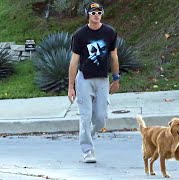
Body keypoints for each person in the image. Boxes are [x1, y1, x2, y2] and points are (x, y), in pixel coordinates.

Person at [68, 2, 120, 163]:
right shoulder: (80, 35)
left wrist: (116, 78)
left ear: (102, 14)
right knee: (85, 117)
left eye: (98, 12)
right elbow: (74, 62)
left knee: (101, 118)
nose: (96, 15)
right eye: (93, 13)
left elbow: (114, 57)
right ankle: (87, 150)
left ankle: (88, 135)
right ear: (88, 15)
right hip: (84, 80)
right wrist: (71, 86)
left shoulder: (110, 32)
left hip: (103, 80)